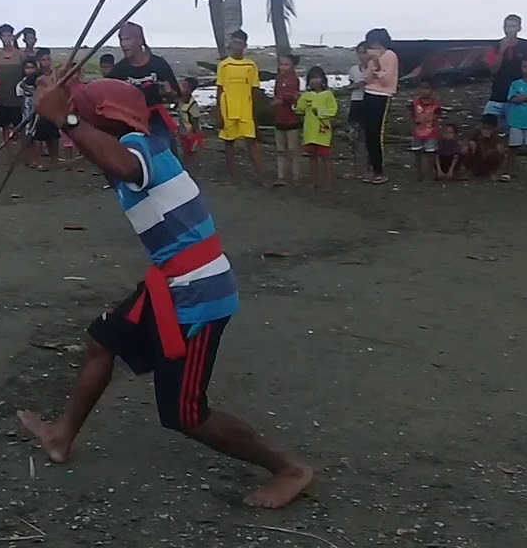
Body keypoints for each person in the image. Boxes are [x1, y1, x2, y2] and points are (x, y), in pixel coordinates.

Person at [18, 77, 314, 510]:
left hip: (198, 291)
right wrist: (61, 110)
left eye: (87, 114)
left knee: (185, 413)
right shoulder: (126, 148)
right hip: (169, 281)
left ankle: (289, 469)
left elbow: (121, 164)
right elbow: (100, 151)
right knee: (103, 342)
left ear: (106, 118)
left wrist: (67, 115)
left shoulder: (145, 147)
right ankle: (62, 437)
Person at [110, 22, 180, 143]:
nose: (123, 45)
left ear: (140, 40)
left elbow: (176, 97)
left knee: (164, 155)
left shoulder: (158, 64)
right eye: (121, 40)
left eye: (127, 39)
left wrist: (169, 93)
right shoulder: (118, 70)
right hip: (129, 124)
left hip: (156, 123)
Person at [214, 30, 264, 184]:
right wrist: (219, 115)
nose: (237, 46)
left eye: (240, 43)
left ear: (245, 45)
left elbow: (254, 90)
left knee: (252, 143)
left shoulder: (251, 65)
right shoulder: (224, 65)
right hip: (228, 110)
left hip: (246, 111)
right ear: (231, 44)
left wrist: (256, 114)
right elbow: (220, 89)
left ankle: (261, 177)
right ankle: (232, 177)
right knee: (229, 144)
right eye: (234, 43)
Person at [482, 14, 527, 126]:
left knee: (515, 129)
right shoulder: (495, 47)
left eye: (513, 26)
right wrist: (501, 51)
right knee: (488, 125)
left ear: (519, 28)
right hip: (498, 93)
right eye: (507, 26)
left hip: (519, 96)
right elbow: (493, 70)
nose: (510, 30)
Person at [360, 28, 399, 184]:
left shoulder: (390, 56)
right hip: (369, 94)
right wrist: (368, 63)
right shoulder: (371, 58)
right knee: (368, 133)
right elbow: (367, 78)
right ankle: (372, 168)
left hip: (382, 96)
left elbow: (386, 81)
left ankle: (379, 170)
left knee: (376, 133)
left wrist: (376, 64)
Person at [295, 65, 337, 192]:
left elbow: (333, 110)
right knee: (312, 158)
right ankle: (314, 182)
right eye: (312, 78)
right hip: (309, 131)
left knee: (325, 158)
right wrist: (295, 103)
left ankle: (329, 183)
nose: (315, 81)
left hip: (323, 131)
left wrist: (319, 111)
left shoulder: (328, 95)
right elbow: (299, 109)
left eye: (317, 78)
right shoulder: (306, 95)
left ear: (323, 80)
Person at [0, 23, 27, 144]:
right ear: (0, 37)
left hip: (18, 99)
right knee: (5, 127)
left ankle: (24, 155)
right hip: (3, 98)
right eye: (4, 35)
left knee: (21, 127)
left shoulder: (21, 55)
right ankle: (8, 155)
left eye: (9, 35)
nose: (7, 38)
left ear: (12, 37)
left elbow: (26, 74)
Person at [271, 54, 301, 186]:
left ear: (293, 66)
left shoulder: (294, 80)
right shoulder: (278, 79)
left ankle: (295, 176)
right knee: (280, 149)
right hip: (279, 117)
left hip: (292, 119)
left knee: (293, 148)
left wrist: (282, 99)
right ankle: (281, 176)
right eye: (281, 64)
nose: (282, 67)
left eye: (286, 64)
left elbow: (294, 97)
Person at [343, 42, 369, 175]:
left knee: (367, 136)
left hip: (369, 103)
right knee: (353, 137)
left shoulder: (374, 69)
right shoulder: (353, 70)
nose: (362, 55)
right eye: (360, 52)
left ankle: (368, 167)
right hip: (356, 102)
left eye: (365, 52)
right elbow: (350, 86)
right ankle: (353, 166)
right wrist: (355, 86)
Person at [409, 79, 441, 182]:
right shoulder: (414, 103)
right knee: (417, 153)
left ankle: (429, 174)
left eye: (427, 88)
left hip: (431, 133)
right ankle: (419, 174)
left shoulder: (436, 104)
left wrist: (437, 132)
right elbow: (411, 116)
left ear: (432, 90)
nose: (424, 91)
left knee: (430, 154)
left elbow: (437, 118)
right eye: (422, 88)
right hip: (417, 133)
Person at [175, 77, 205, 171]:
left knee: (192, 152)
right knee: (185, 151)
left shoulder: (192, 104)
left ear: (189, 90)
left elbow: (195, 120)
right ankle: (186, 168)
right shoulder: (180, 100)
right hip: (183, 131)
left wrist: (196, 135)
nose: (180, 87)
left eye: (183, 86)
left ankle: (192, 169)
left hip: (191, 133)